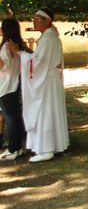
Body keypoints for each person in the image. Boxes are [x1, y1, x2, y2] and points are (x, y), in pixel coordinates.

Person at [8, 9, 69, 162]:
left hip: (46, 81)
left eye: (37, 19)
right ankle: (53, 145)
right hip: (49, 80)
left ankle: (46, 149)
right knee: (49, 112)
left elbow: (37, 61)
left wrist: (19, 52)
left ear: (47, 21)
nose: (34, 22)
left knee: (45, 113)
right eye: (34, 19)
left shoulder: (49, 38)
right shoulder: (49, 37)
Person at [0, 18, 28, 160]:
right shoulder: (17, 45)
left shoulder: (6, 46)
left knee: (11, 119)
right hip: (13, 85)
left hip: (6, 87)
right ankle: (17, 147)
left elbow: (2, 66)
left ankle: (13, 149)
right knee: (15, 118)